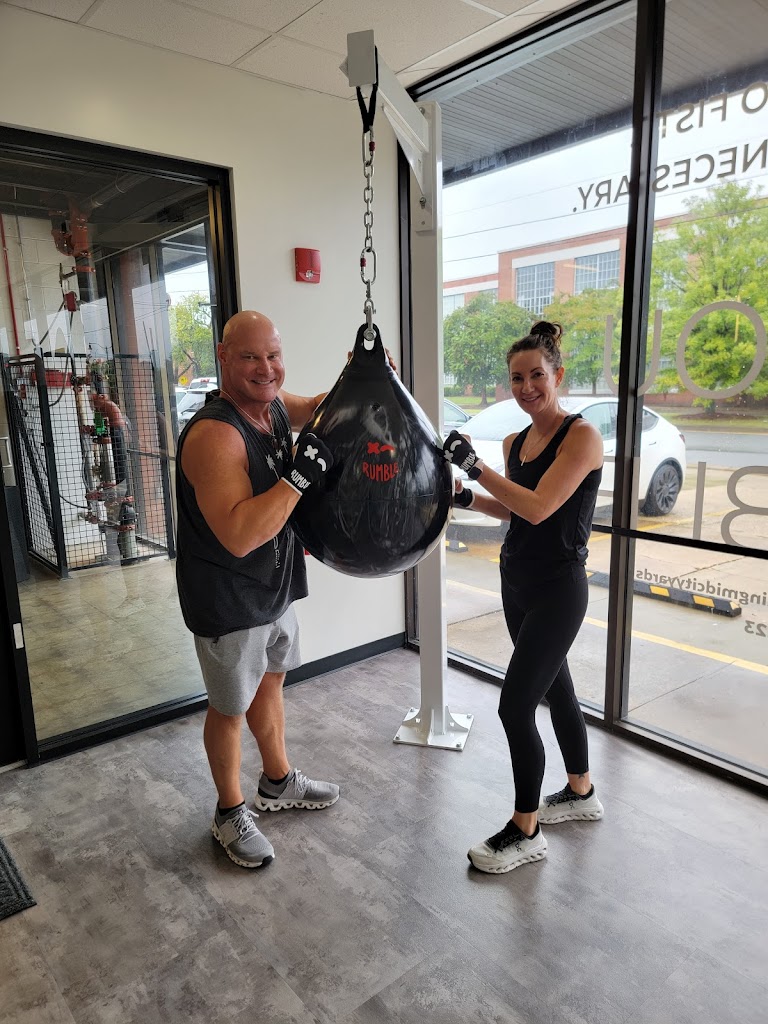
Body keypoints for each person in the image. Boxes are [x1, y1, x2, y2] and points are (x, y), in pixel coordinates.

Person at [175, 310, 340, 870]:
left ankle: (277, 780)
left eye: (273, 356)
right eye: (250, 357)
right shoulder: (216, 435)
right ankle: (229, 812)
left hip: (275, 586)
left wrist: (362, 376)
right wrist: (298, 479)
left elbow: (314, 404)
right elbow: (241, 534)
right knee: (229, 707)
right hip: (228, 598)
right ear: (224, 357)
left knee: (271, 684)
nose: (266, 369)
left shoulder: (271, 405)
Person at [443, 320, 605, 875]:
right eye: (517, 378)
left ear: (558, 376)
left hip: (559, 590)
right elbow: (515, 509)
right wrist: (466, 496)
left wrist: (474, 466)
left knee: (515, 706)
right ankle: (581, 792)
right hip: (516, 583)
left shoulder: (581, 437)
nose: (527, 386)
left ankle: (526, 829)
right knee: (558, 692)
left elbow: (540, 508)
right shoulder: (516, 442)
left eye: (537, 375)